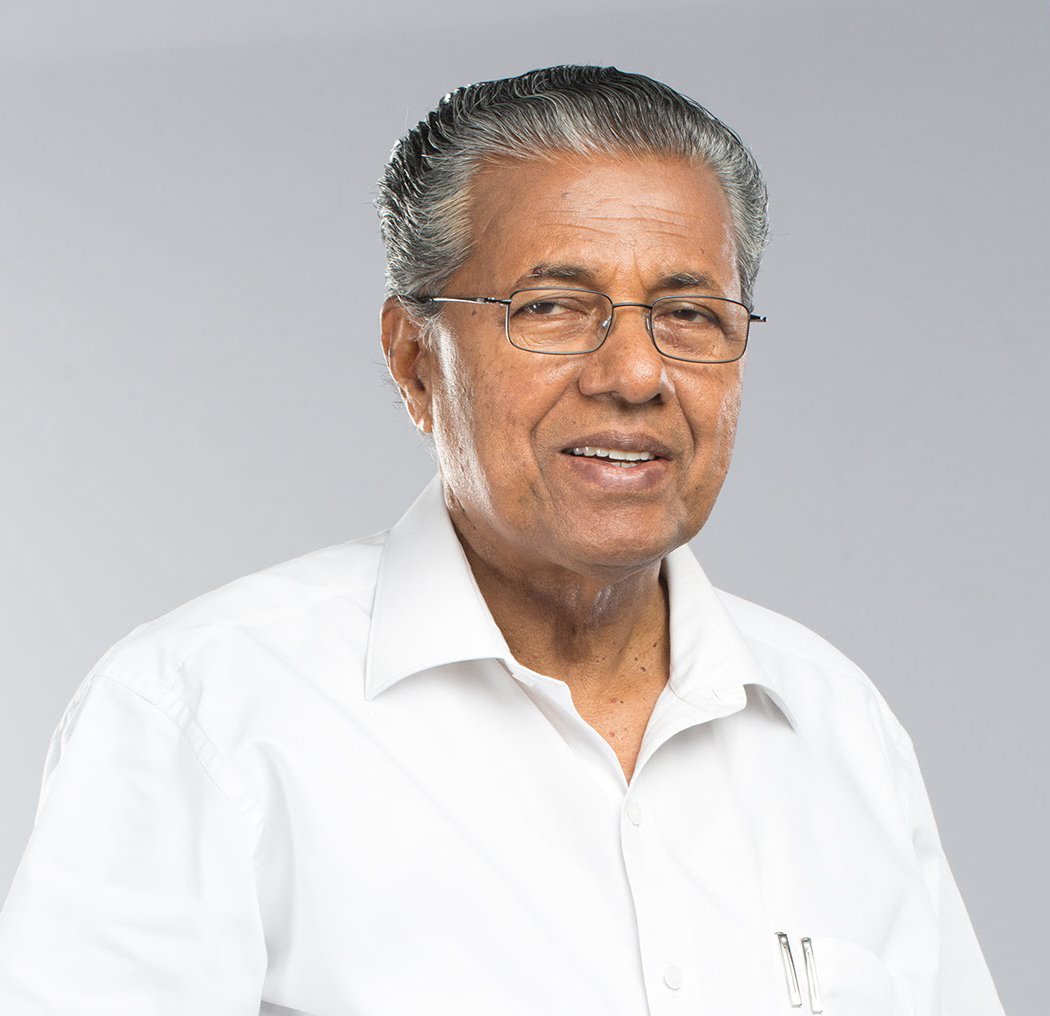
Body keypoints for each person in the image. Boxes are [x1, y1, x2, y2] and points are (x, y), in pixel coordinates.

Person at [0, 65, 1004, 1016]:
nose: (635, 374)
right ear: (413, 359)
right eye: (552, 307)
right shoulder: (204, 715)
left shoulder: (839, 729)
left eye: (689, 313)